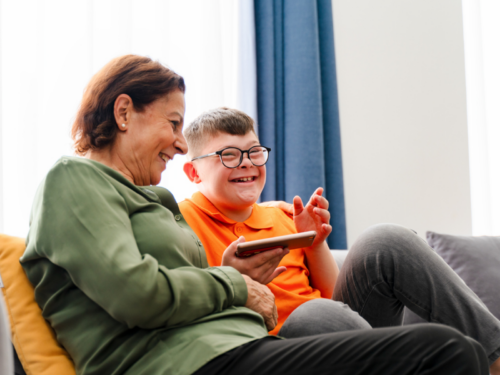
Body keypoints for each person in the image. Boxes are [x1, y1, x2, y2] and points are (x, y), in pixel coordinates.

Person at [20, 54, 488, 375]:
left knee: (408, 284)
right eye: (173, 123)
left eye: (253, 153)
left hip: (238, 345)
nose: (180, 141)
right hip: (192, 363)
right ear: (125, 113)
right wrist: (237, 284)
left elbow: (193, 293)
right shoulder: (74, 180)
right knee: (445, 351)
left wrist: (233, 276)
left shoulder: (154, 203)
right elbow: (137, 293)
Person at [179, 107, 500, 374]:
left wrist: (315, 243)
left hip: (343, 335)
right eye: (229, 155)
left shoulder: (282, 214)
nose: (247, 162)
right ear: (194, 173)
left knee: (384, 239)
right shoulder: (181, 223)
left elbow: (338, 300)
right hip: (278, 354)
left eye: (254, 152)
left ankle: (495, 359)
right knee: (314, 314)